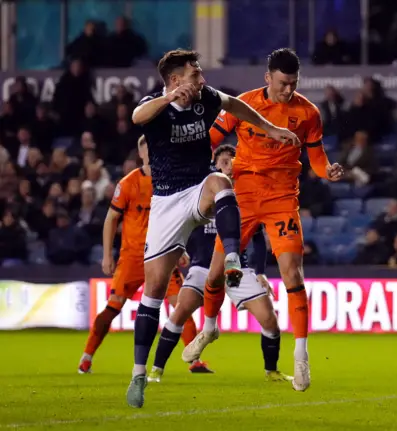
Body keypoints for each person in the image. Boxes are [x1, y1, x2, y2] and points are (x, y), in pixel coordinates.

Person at [126, 49, 299, 408]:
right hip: (166, 203)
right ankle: (139, 374)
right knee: (154, 292)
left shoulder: (205, 97)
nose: (202, 80)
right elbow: (136, 116)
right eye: (195, 74)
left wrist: (269, 127)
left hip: (199, 189)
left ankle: (232, 258)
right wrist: (169, 98)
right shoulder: (154, 104)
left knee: (221, 181)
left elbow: (235, 106)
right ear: (175, 80)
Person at [182, 48, 344, 392]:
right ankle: (209, 329)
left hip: (282, 198)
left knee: (291, 273)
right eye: (283, 83)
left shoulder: (308, 113)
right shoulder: (244, 104)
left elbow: (316, 158)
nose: (288, 90)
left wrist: (327, 171)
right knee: (213, 275)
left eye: (293, 84)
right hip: (241, 197)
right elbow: (211, 137)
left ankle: (301, 357)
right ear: (268, 77)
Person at [147, 144, 292, 383]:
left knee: (270, 320)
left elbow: (257, 236)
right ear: (214, 165)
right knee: (180, 312)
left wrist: (260, 272)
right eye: (223, 161)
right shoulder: (201, 193)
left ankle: (271, 370)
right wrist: (179, 249)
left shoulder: (246, 198)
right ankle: (157, 370)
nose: (228, 165)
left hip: (238, 269)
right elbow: (182, 224)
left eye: (232, 160)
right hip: (203, 267)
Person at [78, 136, 209, 374]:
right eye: (147, 145)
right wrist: (107, 255)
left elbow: (181, 218)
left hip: (164, 255)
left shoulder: (171, 180)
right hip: (133, 258)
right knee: (113, 307)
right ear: (141, 152)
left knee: (180, 305)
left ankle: (195, 361)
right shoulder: (128, 183)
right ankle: (87, 357)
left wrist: (182, 248)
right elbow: (111, 219)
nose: (153, 148)